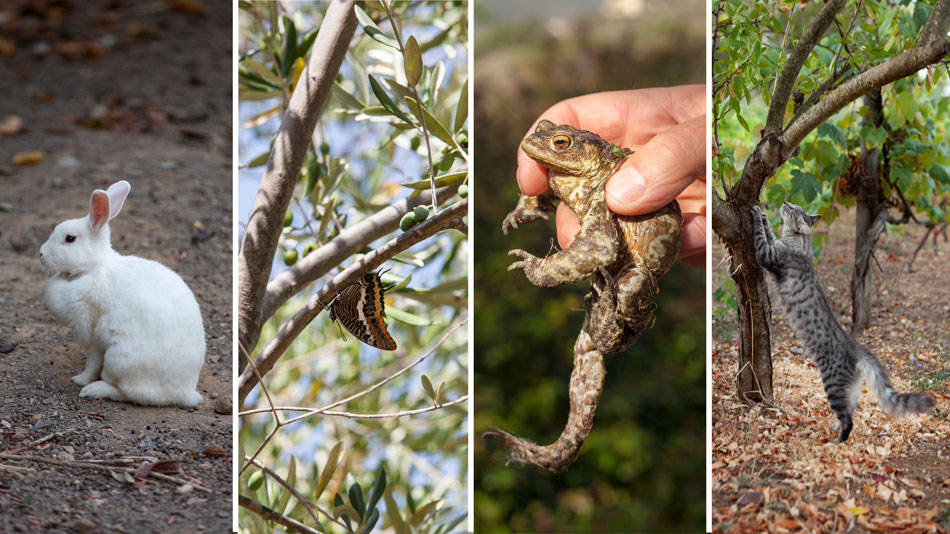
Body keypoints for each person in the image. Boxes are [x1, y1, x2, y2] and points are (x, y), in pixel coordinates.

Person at [516, 86, 706, 268]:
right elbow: (545, 189)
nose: (539, 141)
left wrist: (543, 269)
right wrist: (530, 203)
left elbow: (600, 250)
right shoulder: (567, 176)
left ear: (587, 155)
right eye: (542, 131)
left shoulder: (602, 181)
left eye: (560, 142)